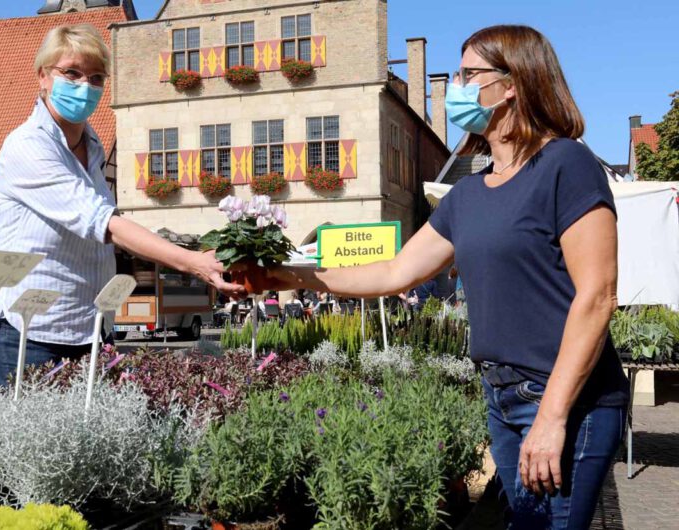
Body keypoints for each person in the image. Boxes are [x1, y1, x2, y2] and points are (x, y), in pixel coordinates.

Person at [267, 25, 628, 529]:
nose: (458, 87)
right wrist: (293, 276)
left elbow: (597, 295)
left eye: (469, 74)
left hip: (566, 398)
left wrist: (551, 416)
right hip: (501, 397)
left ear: (513, 85)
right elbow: (395, 271)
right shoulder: (468, 196)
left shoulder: (565, 163)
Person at [0, 25, 243, 387]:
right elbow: (104, 223)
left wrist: (199, 254)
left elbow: (112, 230)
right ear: (43, 76)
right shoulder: (28, 146)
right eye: (71, 73)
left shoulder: (93, 146)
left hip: (88, 328)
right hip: (32, 332)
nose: (84, 86)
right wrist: (194, 263)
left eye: (96, 78)